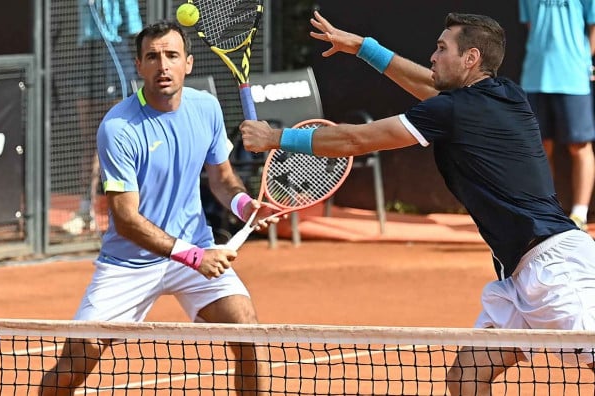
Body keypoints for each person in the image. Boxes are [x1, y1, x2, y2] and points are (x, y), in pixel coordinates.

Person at [239, 11, 595, 395]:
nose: (433, 56)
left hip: (557, 268)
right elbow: (427, 83)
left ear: (470, 58)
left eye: (443, 48)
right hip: (517, 276)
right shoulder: (504, 94)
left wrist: (276, 138)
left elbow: (356, 140)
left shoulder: (454, 109)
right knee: (466, 380)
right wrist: (362, 48)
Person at [39, 20, 277, 395]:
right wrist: (195, 257)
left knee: (250, 336)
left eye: (171, 55)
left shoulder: (206, 108)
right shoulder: (119, 127)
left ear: (189, 63)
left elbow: (221, 179)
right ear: (139, 66)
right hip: (130, 264)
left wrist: (244, 204)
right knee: (76, 361)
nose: (163, 66)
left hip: (193, 250)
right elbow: (126, 218)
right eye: (152, 57)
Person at [519, 0, 595, 231]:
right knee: (539, 149)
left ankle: (579, 215)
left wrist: (585, 62)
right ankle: (548, 212)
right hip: (535, 76)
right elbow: (531, 25)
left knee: (579, 146)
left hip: (573, 77)